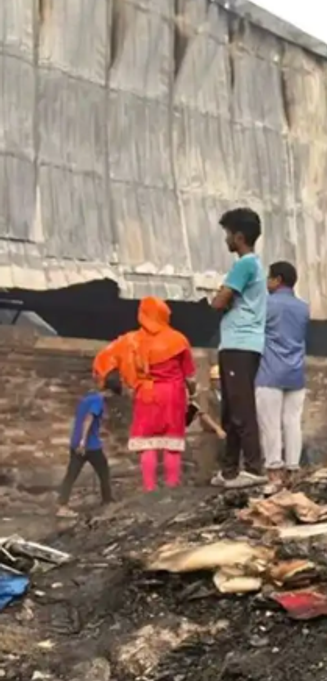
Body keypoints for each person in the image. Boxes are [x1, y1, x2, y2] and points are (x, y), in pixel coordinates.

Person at [92, 297, 197, 494]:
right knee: (171, 443)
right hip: (173, 395)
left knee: (147, 442)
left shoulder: (131, 340)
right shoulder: (179, 340)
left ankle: (149, 487)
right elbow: (189, 375)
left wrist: (113, 382)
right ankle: (172, 486)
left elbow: (104, 359)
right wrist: (193, 393)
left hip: (145, 395)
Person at [209, 208, 268, 489]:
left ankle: (254, 468)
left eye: (228, 234)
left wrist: (220, 295)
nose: (225, 240)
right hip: (238, 345)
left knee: (241, 408)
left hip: (240, 345)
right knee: (230, 409)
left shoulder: (244, 264)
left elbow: (219, 302)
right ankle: (229, 470)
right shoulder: (253, 266)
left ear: (239, 236)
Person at [255, 261, 309, 485]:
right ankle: (293, 470)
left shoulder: (266, 304)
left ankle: (274, 473)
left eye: (269, 278)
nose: (267, 282)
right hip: (296, 373)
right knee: (293, 422)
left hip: (269, 372)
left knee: (270, 425)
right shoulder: (303, 307)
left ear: (277, 280)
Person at [55, 373, 124, 517]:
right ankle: (107, 501)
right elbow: (89, 419)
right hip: (90, 445)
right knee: (103, 471)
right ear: (110, 392)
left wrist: (78, 440)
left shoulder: (87, 398)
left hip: (76, 443)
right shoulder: (98, 401)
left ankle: (62, 505)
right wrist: (84, 441)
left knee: (71, 474)